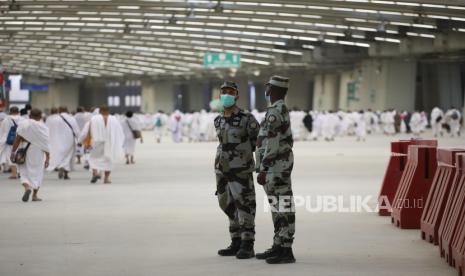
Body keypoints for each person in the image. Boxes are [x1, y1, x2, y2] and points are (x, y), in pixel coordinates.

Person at [214, 81, 259, 259]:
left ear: (237, 95)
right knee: (226, 203)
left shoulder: (247, 118)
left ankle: (248, 244)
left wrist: (246, 158)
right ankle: (236, 241)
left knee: (244, 205)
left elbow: (258, 141)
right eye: (223, 92)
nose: (226, 95)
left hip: (240, 169)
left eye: (230, 92)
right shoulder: (218, 119)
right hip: (221, 169)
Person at [256, 76, 295, 264]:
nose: (267, 89)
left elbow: (272, 143)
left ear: (274, 89)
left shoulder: (275, 111)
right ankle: (279, 244)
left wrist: (264, 168)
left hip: (276, 167)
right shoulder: (278, 109)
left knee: (283, 206)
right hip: (276, 166)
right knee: (277, 207)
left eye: (268, 86)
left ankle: (286, 249)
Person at [10, 109, 50, 202]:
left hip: (24, 149)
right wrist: (48, 158)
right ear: (40, 117)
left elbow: (18, 139)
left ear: (30, 116)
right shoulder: (43, 127)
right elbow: (46, 143)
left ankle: (27, 187)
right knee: (37, 172)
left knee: (24, 171)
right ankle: (35, 195)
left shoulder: (23, 124)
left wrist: (13, 152)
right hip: (38, 151)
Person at [87, 106, 124, 184]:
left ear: (100, 111)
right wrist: (119, 142)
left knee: (93, 158)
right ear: (108, 111)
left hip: (96, 141)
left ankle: (95, 173)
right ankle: (106, 179)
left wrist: (86, 142)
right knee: (109, 160)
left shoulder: (94, 118)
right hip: (110, 142)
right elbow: (119, 132)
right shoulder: (114, 119)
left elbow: (88, 130)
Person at [46, 107, 80, 180]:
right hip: (69, 139)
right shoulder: (71, 118)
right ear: (67, 110)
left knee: (59, 154)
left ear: (59, 110)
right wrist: (79, 139)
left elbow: (48, 129)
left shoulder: (53, 119)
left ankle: (60, 166)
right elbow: (76, 130)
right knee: (68, 156)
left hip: (57, 140)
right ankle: (66, 173)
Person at [0, 106, 23, 179]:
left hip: (9, 140)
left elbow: (3, 131)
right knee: (20, 156)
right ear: (18, 111)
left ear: (10, 112)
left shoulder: (6, 120)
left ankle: (14, 174)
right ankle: (20, 173)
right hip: (20, 140)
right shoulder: (23, 119)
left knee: (10, 157)